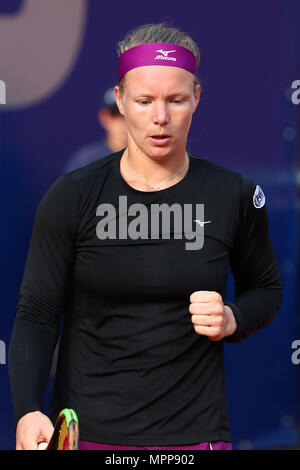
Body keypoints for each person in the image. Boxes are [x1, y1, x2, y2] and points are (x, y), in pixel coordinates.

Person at [8, 22, 282, 451]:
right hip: (89, 435)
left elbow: (265, 289)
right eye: (144, 100)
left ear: (196, 98)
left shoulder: (234, 194)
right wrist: (27, 411)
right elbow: (37, 313)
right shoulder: (73, 195)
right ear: (120, 100)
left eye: (175, 100)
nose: (160, 118)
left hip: (196, 439)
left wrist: (232, 318)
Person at [63, 87, 127, 173]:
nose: (121, 123)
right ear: (103, 118)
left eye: (126, 115)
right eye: (115, 116)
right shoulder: (86, 161)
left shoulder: (148, 159)